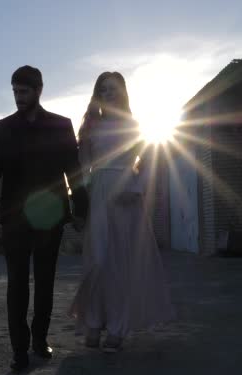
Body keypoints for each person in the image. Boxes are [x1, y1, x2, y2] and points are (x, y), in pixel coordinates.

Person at [0, 65, 88, 372]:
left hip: (50, 218)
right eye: (14, 91)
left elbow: (75, 173)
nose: (18, 97)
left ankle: (39, 340)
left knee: (44, 283)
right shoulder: (3, 128)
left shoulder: (60, 126)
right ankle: (19, 349)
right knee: (16, 285)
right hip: (15, 219)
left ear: (39, 90)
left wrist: (82, 210)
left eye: (23, 91)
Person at [68, 71, 175, 353]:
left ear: (123, 92)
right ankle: (93, 320)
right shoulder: (91, 127)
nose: (108, 94)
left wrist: (137, 185)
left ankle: (117, 326)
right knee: (99, 262)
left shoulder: (134, 125)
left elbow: (150, 160)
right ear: (97, 95)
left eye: (113, 89)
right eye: (103, 90)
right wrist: (81, 199)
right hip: (100, 194)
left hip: (128, 195)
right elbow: (82, 167)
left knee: (121, 265)